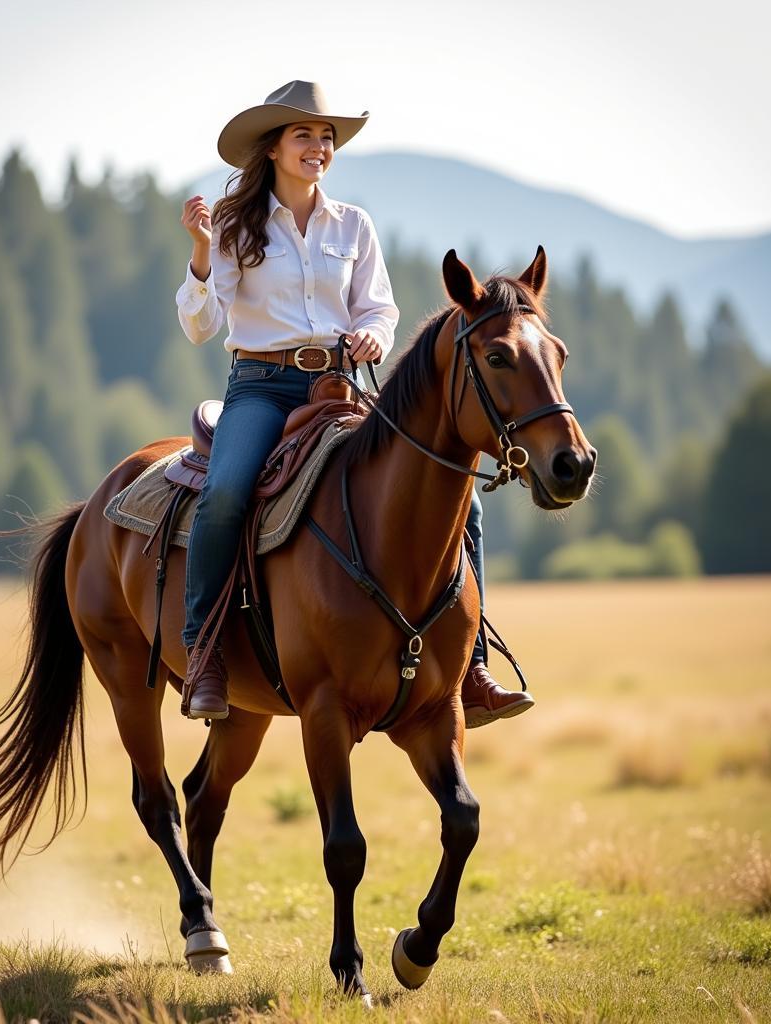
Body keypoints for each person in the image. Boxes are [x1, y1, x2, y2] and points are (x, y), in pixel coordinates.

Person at [175, 81, 533, 726]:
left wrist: (375, 333)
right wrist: (201, 256)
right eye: (304, 135)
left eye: (326, 138)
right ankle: (203, 653)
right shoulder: (233, 225)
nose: (318, 147)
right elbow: (201, 326)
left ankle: (473, 667)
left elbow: (380, 307)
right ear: (273, 148)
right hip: (261, 385)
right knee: (226, 491)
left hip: (343, 384)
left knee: (463, 498)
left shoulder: (354, 225)